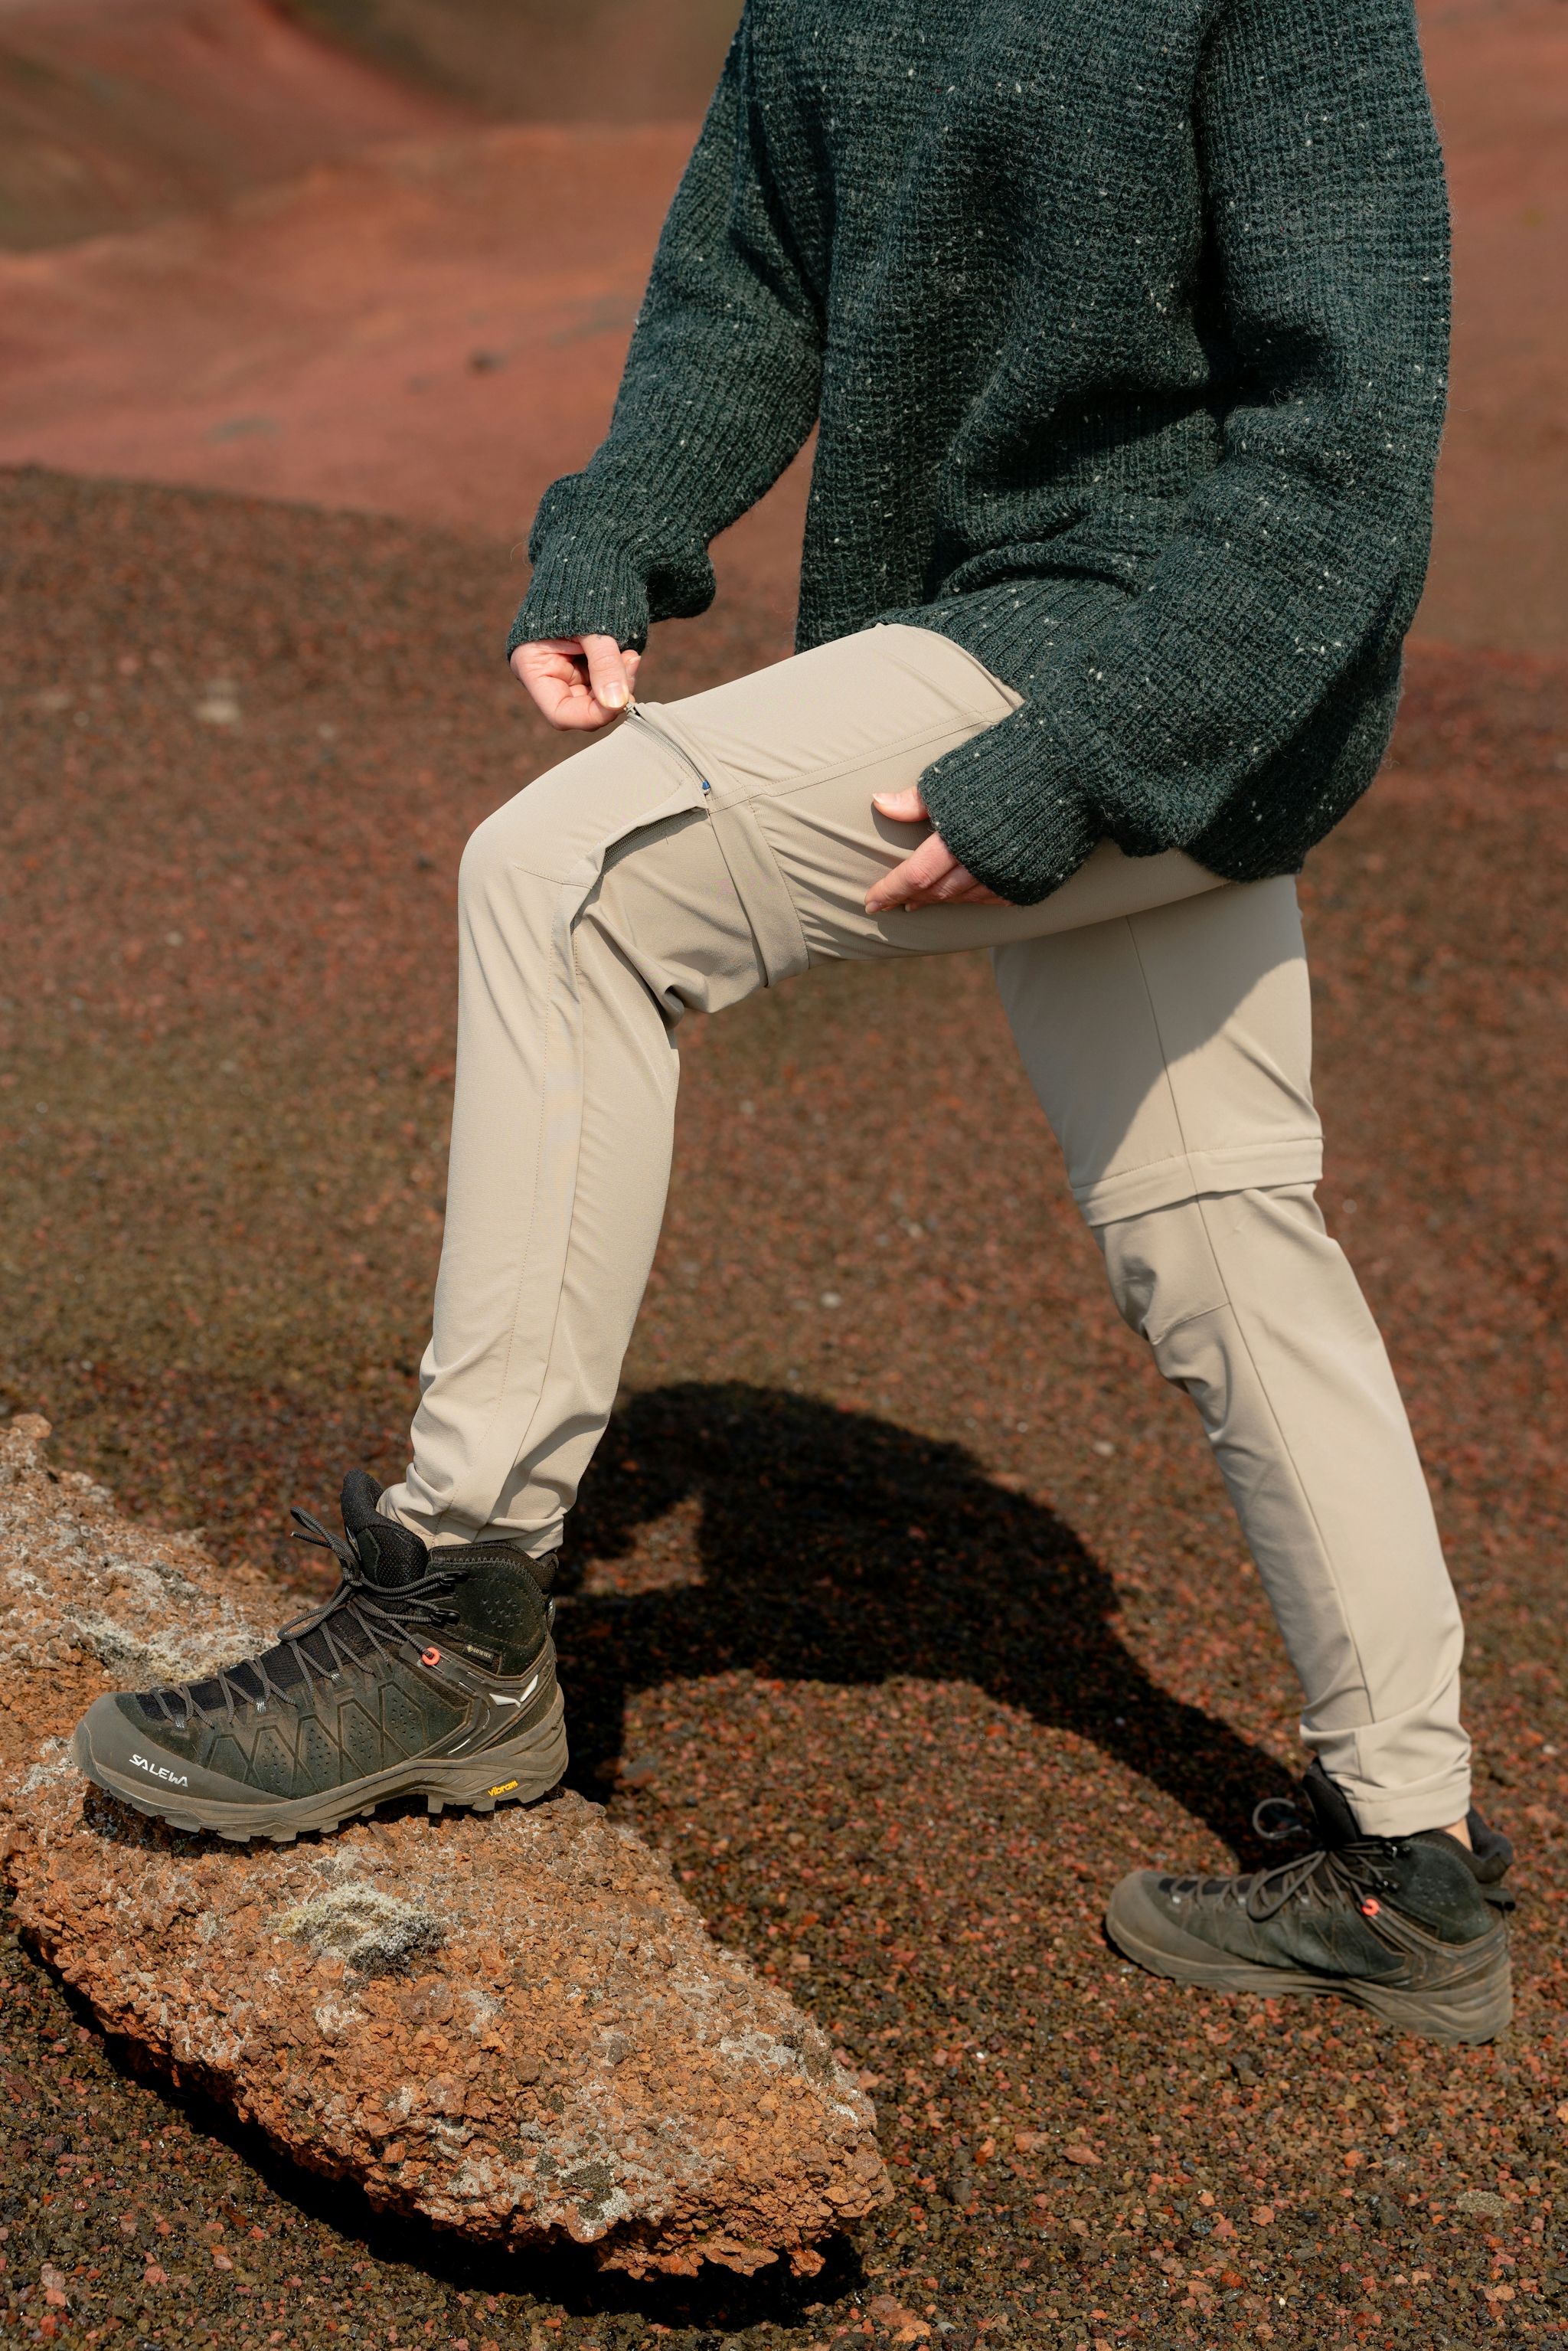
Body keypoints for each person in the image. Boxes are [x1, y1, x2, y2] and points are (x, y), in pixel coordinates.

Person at [74, 0, 1515, 2041]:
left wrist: (1082, 756)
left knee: (563, 884)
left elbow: (1346, 449)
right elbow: (751, 269)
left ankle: (462, 1618)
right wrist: (617, 531)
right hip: (1032, 659)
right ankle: (1411, 1865)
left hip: (1152, 670)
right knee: (1217, 1222)